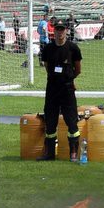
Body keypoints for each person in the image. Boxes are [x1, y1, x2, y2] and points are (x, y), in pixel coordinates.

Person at [37, 22, 82, 161]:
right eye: (57, 30)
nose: (60, 32)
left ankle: (73, 152)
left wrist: (68, 79)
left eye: (62, 30)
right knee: (50, 120)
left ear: (66, 31)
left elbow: (78, 69)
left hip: (67, 89)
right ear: (54, 32)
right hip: (52, 89)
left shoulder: (73, 48)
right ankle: (50, 153)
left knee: (71, 120)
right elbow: (46, 66)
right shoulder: (48, 48)